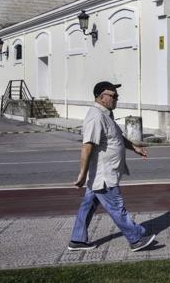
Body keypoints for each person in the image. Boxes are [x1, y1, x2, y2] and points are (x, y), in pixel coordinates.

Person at [68, 81, 155, 252]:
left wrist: (135, 147)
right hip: (104, 175)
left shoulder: (106, 114)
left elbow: (117, 137)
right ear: (101, 97)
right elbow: (87, 146)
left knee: (88, 205)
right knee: (116, 206)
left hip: (102, 174)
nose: (117, 99)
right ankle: (135, 238)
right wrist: (81, 174)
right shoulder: (96, 116)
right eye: (113, 96)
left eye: (117, 96)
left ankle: (77, 239)